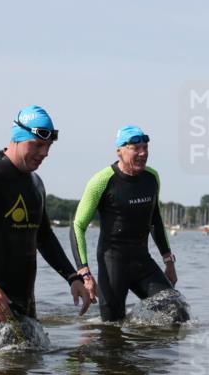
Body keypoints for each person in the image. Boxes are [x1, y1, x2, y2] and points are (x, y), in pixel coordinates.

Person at [0, 105, 90, 337]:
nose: (45, 153)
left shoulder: (36, 184)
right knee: (6, 363)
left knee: (28, 361)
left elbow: (44, 237)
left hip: (26, 296)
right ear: (17, 138)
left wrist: (73, 277)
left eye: (49, 146)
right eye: (38, 145)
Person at [70, 125, 180, 322]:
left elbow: (155, 220)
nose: (142, 153)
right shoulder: (102, 181)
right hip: (113, 266)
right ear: (119, 151)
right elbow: (78, 226)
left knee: (177, 313)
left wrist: (168, 261)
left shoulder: (151, 177)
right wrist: (84, 272)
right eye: (135, 149)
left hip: (143, 264)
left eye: (145, 148)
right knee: (112, 331)